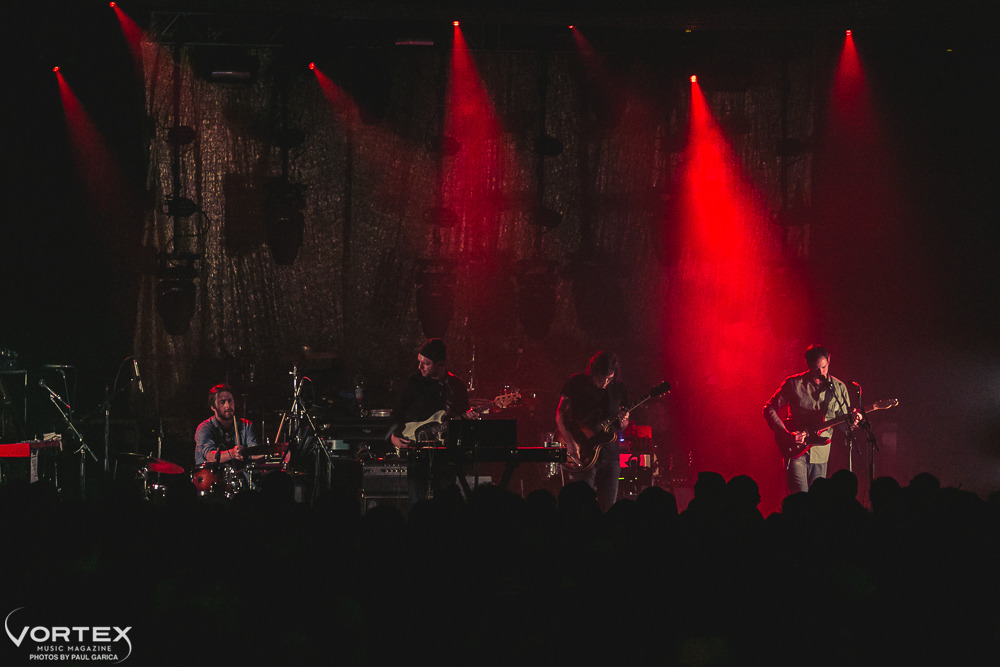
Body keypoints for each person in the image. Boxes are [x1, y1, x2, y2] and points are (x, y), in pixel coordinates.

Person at [763, 345, 861, 494]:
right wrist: (786, 434)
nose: (821, 372)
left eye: (824, 367)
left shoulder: (839, 388)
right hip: (796, 450)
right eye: (816, 368)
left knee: (817, 500)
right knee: (799, 498)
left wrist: (853, 422)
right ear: (807, 364)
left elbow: (843, 426)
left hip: (821, 453)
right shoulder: (794, 383)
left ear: (829, 360)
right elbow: (769, 408)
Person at [390, 339, 471, 504]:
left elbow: (464, 421)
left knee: (445, 502)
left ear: (440, 364)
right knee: (417, 502)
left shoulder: (456, 386)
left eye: (426, 364)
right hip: (416, 451)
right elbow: (397, 413)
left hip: (445, 455)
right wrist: (393, 436)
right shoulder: (414, 382)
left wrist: (468, 418)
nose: (420, 367)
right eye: (419, 362)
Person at [555, 351, 629, 512]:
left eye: (609, 379)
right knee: (582, 507)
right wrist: (570, 443)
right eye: (601, 378)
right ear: (593, 371)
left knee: (608, 508)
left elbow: (623, 424)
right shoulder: (576, 382)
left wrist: (624, 421)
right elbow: (559, 414)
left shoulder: (618, 389)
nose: (604, 383)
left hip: (610, 455)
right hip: (583, 453)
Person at [194, 384, 259, 466]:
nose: (228, 406)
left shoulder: (246, 425)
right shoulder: (204, 427)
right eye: (222, 402)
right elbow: (210, 456)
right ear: (213, 407)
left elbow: (254, 452)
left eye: (230, 400)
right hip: (212, 476)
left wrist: (270, 452)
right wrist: (232, 453)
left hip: (241, 475)